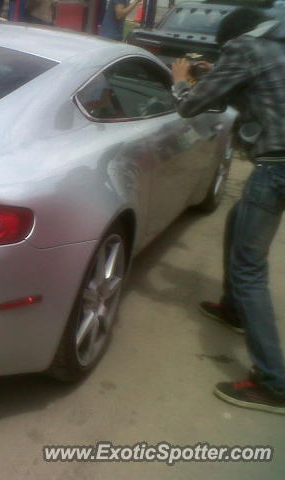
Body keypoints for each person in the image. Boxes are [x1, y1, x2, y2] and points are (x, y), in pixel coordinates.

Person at [171, 7, 285, 415]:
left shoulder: (245, 47)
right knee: (238, 221)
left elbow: (191, 106)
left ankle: (274, 384)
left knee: (249, 270)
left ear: (232, 37)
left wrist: (181, 81)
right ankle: (232, 308)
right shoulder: (275, 47)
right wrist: (216, 69)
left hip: (276, 166)